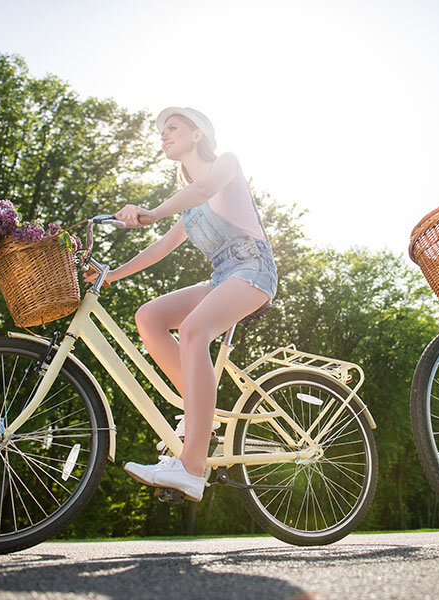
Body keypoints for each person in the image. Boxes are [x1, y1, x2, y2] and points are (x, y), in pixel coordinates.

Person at [85, 107, 278, 501]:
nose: (163, 136)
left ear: (197, 134)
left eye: (172, 128)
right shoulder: (188, 208)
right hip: (225, 276)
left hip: (253, 269)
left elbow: (204, 190)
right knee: (150, 317)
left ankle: (192, 467)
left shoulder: (226, 164)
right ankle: (198, 412)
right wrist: (110, 273)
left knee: (192, 330)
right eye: (161, 132)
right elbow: (161, 247)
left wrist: (151, 212)